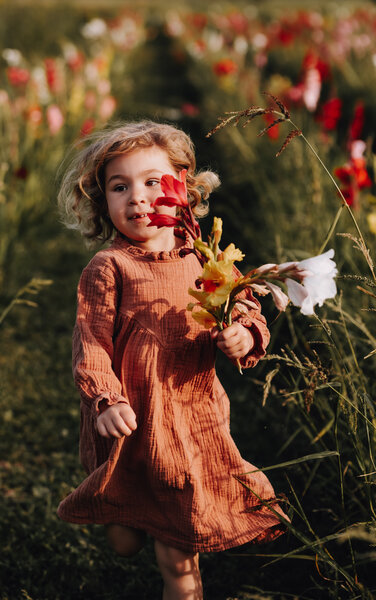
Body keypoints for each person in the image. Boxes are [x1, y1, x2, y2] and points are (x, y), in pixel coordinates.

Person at [57, 121, 287, 599]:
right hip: (129, 418)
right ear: (104, 200)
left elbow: (243, 303)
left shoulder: (204, 257)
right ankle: (123, 510)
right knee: (124, 538)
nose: (137, 198)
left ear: (184, 189)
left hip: (192, 415)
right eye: (120, 187)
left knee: (178, 558)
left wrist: (242, 333)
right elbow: (92, 342)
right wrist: (106, 399)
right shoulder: (110, 267)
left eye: (153, 182)